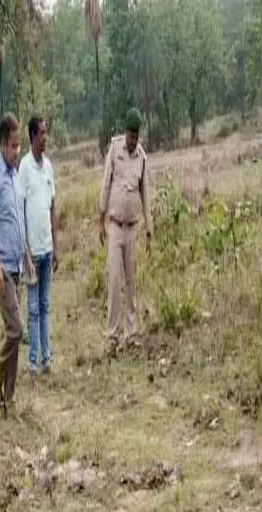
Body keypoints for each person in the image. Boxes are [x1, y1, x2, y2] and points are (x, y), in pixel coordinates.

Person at [0, 114, 29, 417]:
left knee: (12, 337)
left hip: (18, 264)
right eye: (13, 146)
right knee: (16, 331)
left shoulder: (14, 176)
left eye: (19, 146)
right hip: (3, 267)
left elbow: (17, 219)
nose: (17, 152)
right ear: (2, 144)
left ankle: (8, 401)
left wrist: (25, 254)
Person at [98, 107, 152, 357]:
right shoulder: (114, 151)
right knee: (114, 282)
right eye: (130, 136)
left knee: (131, 282)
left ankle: (131, 334)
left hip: (133, 228)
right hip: (115, 227)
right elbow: (106, 184)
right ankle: (112, 337)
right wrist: (100, 220)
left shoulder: (142, 158)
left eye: (136, 136)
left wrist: (149, 231)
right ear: (125, 133)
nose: (133, 141)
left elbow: (146, 196)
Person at [18, 114, 58, 384]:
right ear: (31, 136)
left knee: (45, 305)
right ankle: (32, 363)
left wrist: (56, 243)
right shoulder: (24, 168)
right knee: (32, 309)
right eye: (41, 133)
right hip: (32, 252)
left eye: (46, 133)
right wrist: (26, 251)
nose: (45, 138)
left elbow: (52, 205)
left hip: (48, 248)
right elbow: (21, 212)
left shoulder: (48, 167)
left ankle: (46, 358)